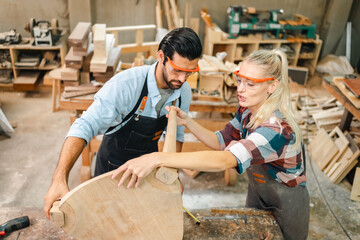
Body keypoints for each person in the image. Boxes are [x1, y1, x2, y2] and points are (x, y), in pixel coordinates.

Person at [112, 49, 310, 240]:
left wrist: (158, 157)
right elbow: (221, 142)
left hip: (287, 200)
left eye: (250, 84)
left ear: (272, 86)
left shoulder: (276, 129)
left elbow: (225, 159)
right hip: (258, 190)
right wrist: (187, 121)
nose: (240, 89)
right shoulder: (247, 111)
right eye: (239, 80)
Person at [43, 27, 202, 219]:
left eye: (190, 72)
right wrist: (59, 178)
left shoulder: (183, 92)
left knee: (140, 222)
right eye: (177, 70)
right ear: (161, 56)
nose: (183, 79)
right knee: (106, 221)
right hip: (112, 169)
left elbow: (175, 134)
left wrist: (172, 173)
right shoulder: (126, 85)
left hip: (147, 171)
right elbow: (84, 125)